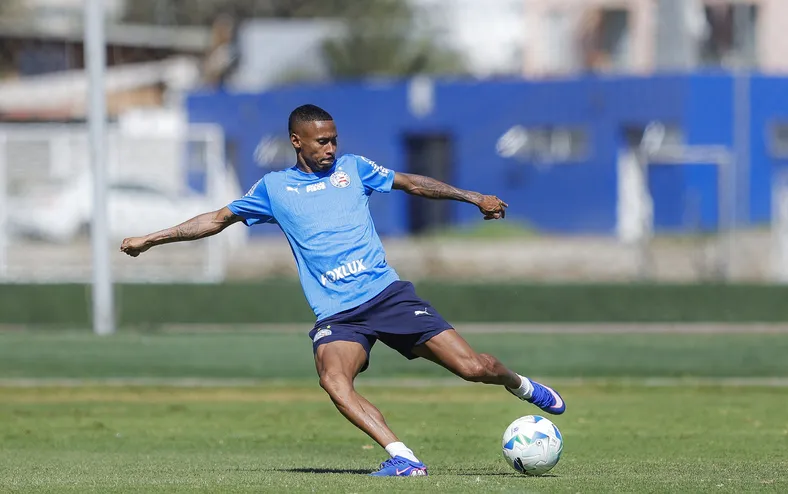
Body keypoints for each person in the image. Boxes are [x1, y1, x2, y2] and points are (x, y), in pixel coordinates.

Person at [120, 104, 565, 477]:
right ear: (297, 141)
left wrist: (473, 197)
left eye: (334, 139)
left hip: (388, 297)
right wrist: (150, 239)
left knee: (473, 368)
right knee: (333, 379)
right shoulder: (274, 189)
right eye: (321, 142)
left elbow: (412, 183)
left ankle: (520, 385)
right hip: (337, 314)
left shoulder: (354, 170)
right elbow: (216, 219)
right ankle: (403, 457)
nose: (331, 148)